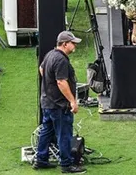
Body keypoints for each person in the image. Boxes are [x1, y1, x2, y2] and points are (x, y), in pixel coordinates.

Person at [34, 31, 86, 174]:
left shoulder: (50, 54)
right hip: (59, 105)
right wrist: (72, 101)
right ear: (64, 44)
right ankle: (66, 165)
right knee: (64, 134)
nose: (75, 45)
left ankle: (41, 160)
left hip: (47, 102)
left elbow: (42, 69)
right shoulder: (61, 60)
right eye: (73, 43)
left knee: (46, 131)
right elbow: (62, 82)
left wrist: (49, 84)